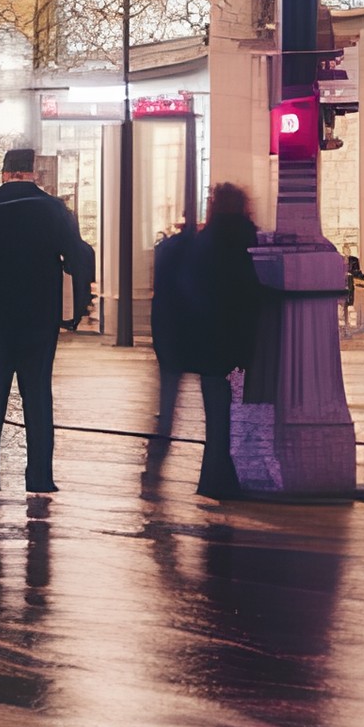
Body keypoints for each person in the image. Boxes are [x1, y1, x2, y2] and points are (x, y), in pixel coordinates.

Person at [0, 144, 97, 494]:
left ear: (4, 172)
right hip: (38, 318)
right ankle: (40, 477)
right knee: (38, 395)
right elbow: (78, 257)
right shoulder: (52, 209)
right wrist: (77, 307)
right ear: (34, 172)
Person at [145, 183, 262, 499]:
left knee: (170, 409)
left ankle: (157, 468)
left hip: (189, 338)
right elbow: (246, 293)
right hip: (221, 341)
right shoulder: (243, 242)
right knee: (218, 415)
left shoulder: (199, 242)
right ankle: (215, 479)